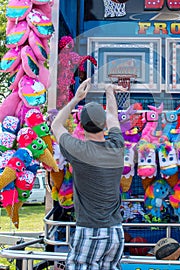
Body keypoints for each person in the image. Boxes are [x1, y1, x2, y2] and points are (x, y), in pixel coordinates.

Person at [51, 78, 127, 270]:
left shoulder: (79, 150)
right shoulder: (117, 147)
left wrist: (75, 99)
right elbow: (113, 117)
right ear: (103, 126)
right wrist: (110, 91)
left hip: (91, 232)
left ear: (82, 126)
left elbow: (56, 126)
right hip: (116, 234)